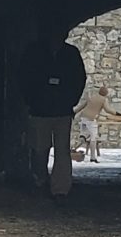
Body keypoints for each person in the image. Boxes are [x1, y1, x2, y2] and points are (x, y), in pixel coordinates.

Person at [20, 39, 85, 199]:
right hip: (40, 110)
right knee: (39, 148)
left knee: (61, 150)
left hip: (61, 110)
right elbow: (24, 77)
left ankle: (60, 189)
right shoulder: (35, 53)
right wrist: (31, 100)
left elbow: (79, 78)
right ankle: (40, 179)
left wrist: (71, 100)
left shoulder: (70, 54)